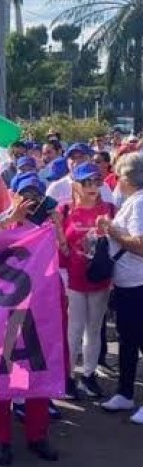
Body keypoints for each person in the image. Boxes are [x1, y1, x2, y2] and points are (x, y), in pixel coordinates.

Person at [0, 172, 60, 465]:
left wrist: (59, 230)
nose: (31, 201)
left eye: (36, 196)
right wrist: (10, 220)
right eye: (25, 194)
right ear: (14, 195)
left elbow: (65, 256)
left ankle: (37, 435)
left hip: (42, 309)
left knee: (38, 373)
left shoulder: (48, 223)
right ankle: (0, 438)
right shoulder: (1, 221)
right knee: (1, 376)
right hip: (5, 309)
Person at [55, 163, 114, 399]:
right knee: (74, 331)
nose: (92, 187)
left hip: (100, 280)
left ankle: (88, 375)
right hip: (74, 280)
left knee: (94, 329)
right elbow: (60, 250)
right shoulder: (65, 210)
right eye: (86, 182)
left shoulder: (110, 208)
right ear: (75, 186)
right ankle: (68, 377)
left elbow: (117, 242)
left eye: (96, 181)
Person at [98, 152, 143, 424]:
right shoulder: (134, 201)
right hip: (129, 284)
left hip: (138, 284)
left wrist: (110, 230)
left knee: (137, 340)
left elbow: (139, 244)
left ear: (127, 177)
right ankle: (125, 393)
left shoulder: (139, 203)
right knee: (127, 341)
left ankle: (126, 392)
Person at [47, 143, 114, 205]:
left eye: (82, 157)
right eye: (73, 158)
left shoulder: (103, 187)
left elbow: (111, 213)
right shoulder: (56, 188)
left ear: (91, 159)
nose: (77, 161)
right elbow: (46, 215)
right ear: (67, 161)